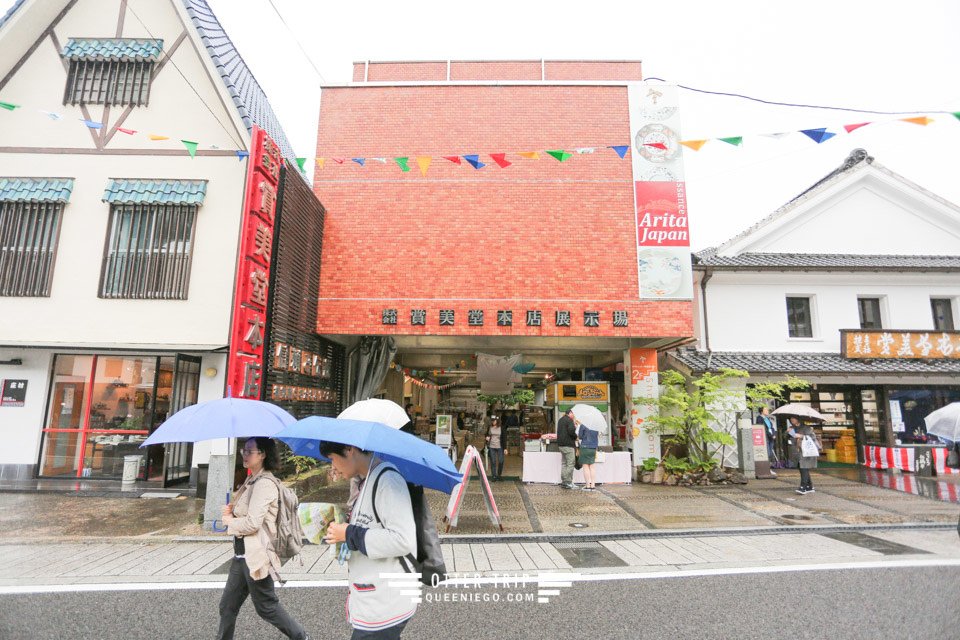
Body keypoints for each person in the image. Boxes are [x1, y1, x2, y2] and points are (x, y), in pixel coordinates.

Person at [323, 443, 417, 639]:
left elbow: (403, 539)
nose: (333, 466)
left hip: (385, 603)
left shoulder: (388, 481)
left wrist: (349, 533)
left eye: (332, 458)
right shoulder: (364, 481)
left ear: (349, 450)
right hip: (376, 598)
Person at [218, 438, 309, 640]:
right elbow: (246, 515)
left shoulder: (265, 484)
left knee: (266, 607)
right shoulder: (251, 481)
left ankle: (301, 636)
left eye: (250, 451)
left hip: (256, 555)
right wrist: (231, 512)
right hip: (241, 555)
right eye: (244, 450)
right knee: (227, 606)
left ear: (263, 455)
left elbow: (252, 523)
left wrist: (228, 521)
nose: (245, 454)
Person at [787, 417, 822, 495]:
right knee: (801, 467)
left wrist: (801, 436)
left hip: (806, 451)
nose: (792, 420)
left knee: (804, 468)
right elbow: (786, 437)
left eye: (793, 418)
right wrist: (788, 432)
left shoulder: (807, 428)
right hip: (797, 451)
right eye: (791, 419)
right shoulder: (792, 428)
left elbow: (812, 437)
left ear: (798, 419)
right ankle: (810, 486)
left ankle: (803, 487)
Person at [557, 408, 579, 489]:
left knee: (564, 463)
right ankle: (568, 482)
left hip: (561, 445)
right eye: (573, 414)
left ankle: (564, 481)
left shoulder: (561, 420)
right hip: (568, 445)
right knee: (570, 463)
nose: (574, 416)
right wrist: (576, 434)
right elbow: (571, 432)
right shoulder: (569, 421)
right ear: (570, 413)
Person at [577, 420, 599, 491]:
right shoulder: (596, 426)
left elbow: (580, 436)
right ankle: (593, 485)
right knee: (592, 466)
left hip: (585, 447)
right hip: (593, 447)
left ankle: (587, 485)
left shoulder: (583, 425)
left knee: (585, 466)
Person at [756, 406, 778, 476]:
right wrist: (771, 435)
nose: (767, 411)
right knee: (767, 453)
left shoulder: (767, 418)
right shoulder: (759, 418)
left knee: (770, 453)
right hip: (766, 437)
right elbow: (763, 428)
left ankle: (769, 468)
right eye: (766, 410)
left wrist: (774, 434)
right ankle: (767, 469)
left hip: (771, 437)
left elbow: (771, 427)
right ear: (762, 411)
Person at [485, 416, 505, 481]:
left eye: (494, 420)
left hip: (500, 447)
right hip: (492, 446)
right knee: (493, 461)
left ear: (497, 421)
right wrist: (487, 438)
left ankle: (499, 475)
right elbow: (487, 435)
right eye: (492, 420)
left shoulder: (501, 428)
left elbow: (504, 438)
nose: (493, 422)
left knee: (501, 461)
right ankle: (494, 476)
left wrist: (505, 448)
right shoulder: (490, 427)